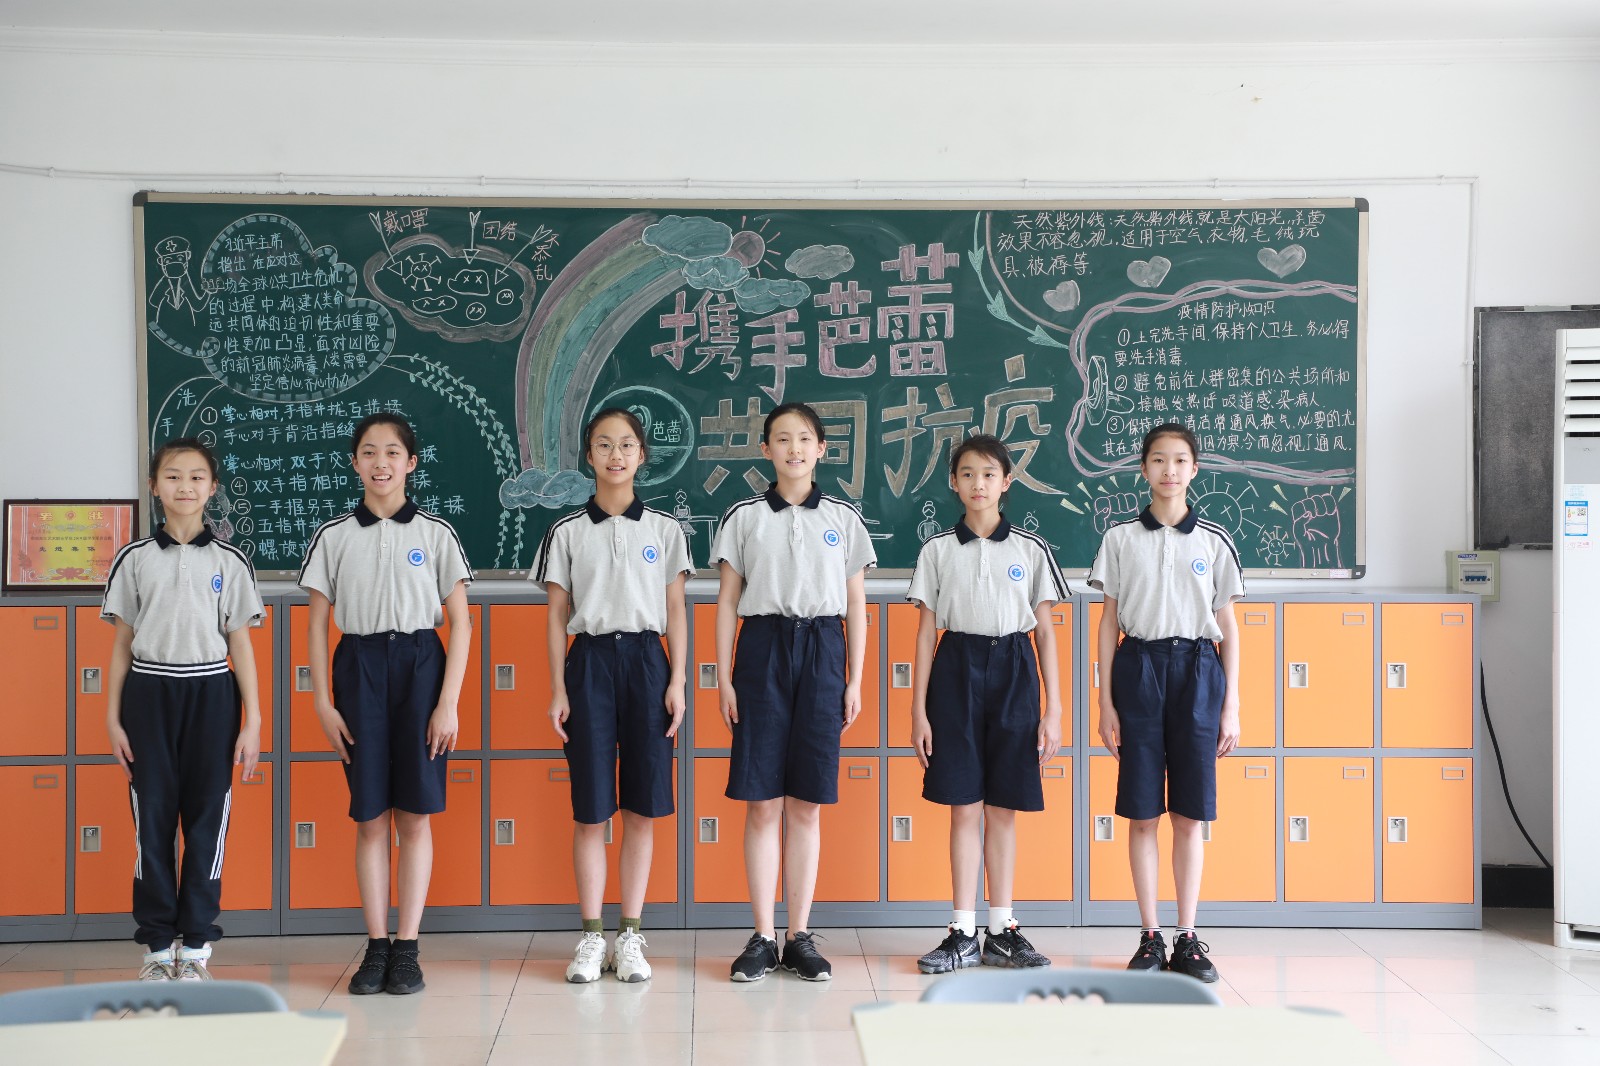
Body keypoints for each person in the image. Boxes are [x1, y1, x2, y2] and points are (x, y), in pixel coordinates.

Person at [299, 413, 474, 996]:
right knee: (371, 816)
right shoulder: (334, 536)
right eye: (369, 452)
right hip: (360, 666)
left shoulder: (435, 533)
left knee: (415, 816)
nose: (381, 463)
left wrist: (447, 703)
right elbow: (317, 625)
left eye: (393, 452)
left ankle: (408, 948)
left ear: (411, 463)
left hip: (422, 666)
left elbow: (461, 623)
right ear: (355, 463)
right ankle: (375, 947)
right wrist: (322, 703)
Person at [711, 402, 875, 982]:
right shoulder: (745, 517)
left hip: (823, 648)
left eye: (804, 438)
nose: (794, 449)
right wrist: (723, 677)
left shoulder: (843, 518)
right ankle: (761, 936)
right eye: (782, 439)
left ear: (822, 448)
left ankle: (798, 935)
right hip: (762, 649)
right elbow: (727, 601)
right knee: (762, 802)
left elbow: (856, 604)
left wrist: (855, 679)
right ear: (766, 450)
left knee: (806, 803)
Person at [533, 408, 691, 984]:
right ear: (589, 456)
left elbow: (676, 610)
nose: (616, 455)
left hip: (648, 661)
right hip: (591, 663)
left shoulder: (665, 531)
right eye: (604, 445)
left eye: (626, 445)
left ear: (642, 456)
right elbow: (556, 617)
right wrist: (558, 687)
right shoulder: (567, 532)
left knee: (641, 807)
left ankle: (629, 934)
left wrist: (677, 680)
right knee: (591, 809)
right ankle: (591, 935)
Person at [103, 437, 264, 981]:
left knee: (206, 820)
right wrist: (112, 717)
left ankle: (194, 945)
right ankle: (156, 947)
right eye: (173, 476)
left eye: (197, 477)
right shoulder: (134, 559)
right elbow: (122, 644)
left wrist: (253, 721)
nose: (185, 486)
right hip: (149, 694)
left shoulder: (230, 561)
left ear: (212, 488)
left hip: (212, 695)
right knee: (151, 821)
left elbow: (240, 644)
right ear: (154, 486)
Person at [1089, 422, 1243, 983]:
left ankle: (1187, 936)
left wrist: (1231, 705)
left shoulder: (1214, 541)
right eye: (1159, 459)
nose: (1169, 470)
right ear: (1144, 468)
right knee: (1141, 812)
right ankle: (1150, 935)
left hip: (1198, 670)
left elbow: (1228, 626)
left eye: (1180, 460)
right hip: (1139, 667)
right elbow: (1108, 623)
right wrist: (1105, 702)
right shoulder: (1120, 539)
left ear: (1194, 470)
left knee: (1189, 815)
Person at [908, 434, 1068, 974]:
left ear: (1006, 482)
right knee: (963, 805)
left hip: (1014, 668)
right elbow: (925, 634)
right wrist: (918, 711)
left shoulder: (1030, 549)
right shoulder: (936, 550)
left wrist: (1054, 709)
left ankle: (1002, 928)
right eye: (967, 474)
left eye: (989, 474)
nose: (978, 484)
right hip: (955, 667)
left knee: (1003, 807)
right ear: (953, 483)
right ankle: (962, 930)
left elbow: (1044, 633)